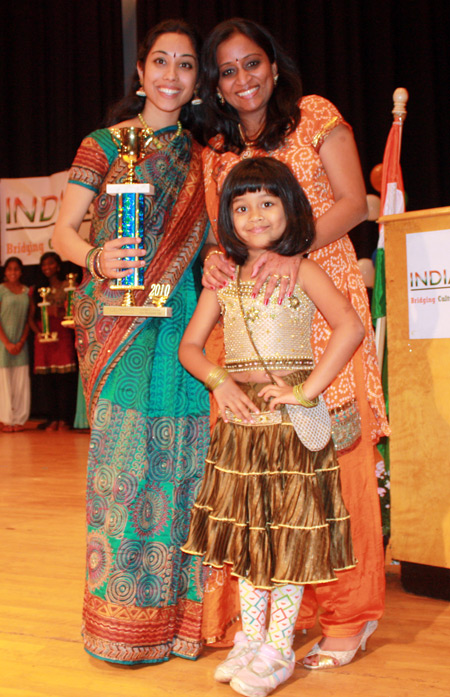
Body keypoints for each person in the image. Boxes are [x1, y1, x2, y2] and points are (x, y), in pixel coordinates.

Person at [198, 18, 389, 667]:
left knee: (337, 456)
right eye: (228, 70)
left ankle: (351, 613)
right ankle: (287, 615)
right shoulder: (218, 153)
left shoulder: (315, 115)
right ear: (217, 85)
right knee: (278, 474)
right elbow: (221, 235)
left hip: (322, 297)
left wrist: (292, 250)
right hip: (261, 330)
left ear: (273, 67)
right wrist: (215, 266)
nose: (243, 78)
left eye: (252, 63)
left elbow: (356, 202)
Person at [179, 157, 371, 697]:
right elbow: (190, 348)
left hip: (291, 426)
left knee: (287, 533)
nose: (255, 215)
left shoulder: (302, 268)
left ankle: (279, 645)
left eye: (267, 202)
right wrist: (221, 382)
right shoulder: (222, 277)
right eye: (241, 206)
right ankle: (251, 638)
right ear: (227, 217)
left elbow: (349, 326)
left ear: (291, 208)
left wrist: (306, 392)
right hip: (242, 427)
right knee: (246, 530)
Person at [52, 20, 210, 664]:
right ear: (140, 72)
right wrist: (97, 257)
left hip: (189, 321)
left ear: (199, 81)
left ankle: (182, 623)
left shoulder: (208, 154)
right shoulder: (102, 145)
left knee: (185, 467)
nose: (172, 75)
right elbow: (62, 231)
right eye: (161, 62)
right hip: (121, 322)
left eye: (186, 64)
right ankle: (119, 626)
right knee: (123, 469)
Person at [28, 252, 78, 431]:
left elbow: (73, 312)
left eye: (50, 263)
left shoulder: (68, 286)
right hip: (44, 336)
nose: (47, 267)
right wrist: (39, 333)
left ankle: (65, 419)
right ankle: (52, 418)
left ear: (58, 265)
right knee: (47, 380)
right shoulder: (37, 289)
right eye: (43, 264)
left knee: (64, 379)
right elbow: (31, 316)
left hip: (63, 333)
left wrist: (59, 313)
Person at [0, 257, 30, 432]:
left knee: (19, 380)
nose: (13, 272)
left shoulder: (26, 291)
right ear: (5, 271)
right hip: (3, 342)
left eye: (16, 269)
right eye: (10, 269)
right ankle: (5, 419)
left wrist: (20, 342)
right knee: (3, 380)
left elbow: (28, 319)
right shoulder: (1, 290)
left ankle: (18, 418)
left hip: (20, 343)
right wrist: (6, 343)